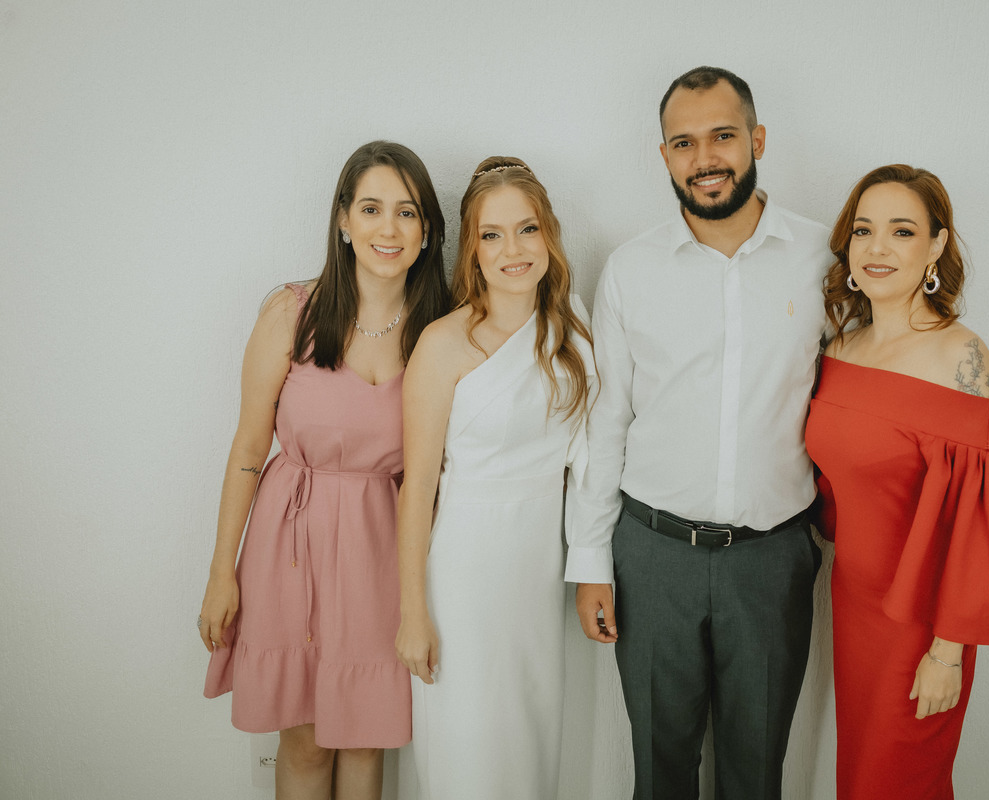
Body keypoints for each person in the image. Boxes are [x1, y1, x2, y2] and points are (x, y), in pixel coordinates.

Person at [567, 66, 828, 799]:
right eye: (684, 143)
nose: (705, 158)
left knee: (756, 775)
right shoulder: (630, 270)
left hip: (773, 559)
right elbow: (607, 420)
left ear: (757, 140)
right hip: (651, 559)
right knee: (660, 773)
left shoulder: (823, 260)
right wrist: (590, 560)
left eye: (723, 136)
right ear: (664, 156)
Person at [199, 140, 451, 800]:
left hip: (381, 551)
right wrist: (221, 571)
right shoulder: (292, 312)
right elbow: (248, 448)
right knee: (306, 737)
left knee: (366, 734)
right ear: (343, 220)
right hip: (290, 543)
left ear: (427, 230)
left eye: (406, 212)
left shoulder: (442, 332)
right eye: (371, 208)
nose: (388, 228)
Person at [805, 164, 989, 799]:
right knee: (860, 778)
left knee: (900, 782)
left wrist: (947, 652)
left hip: (923, 625)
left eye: (901, 231)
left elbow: (978, 524)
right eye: (864, 230)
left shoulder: (961, 357)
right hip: (855, 607)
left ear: (936, 245)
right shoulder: (840, 351)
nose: (878, 248)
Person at [394, 156, 594, 799]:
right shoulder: (443, 343)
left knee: (529, 742)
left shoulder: (573, 330)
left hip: (536, 567)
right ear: (473, 251)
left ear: (548, 235)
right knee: (471, 749)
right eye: (492, 234)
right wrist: (413, 613)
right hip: (464, 572)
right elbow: (417, 489)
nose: (513, 249)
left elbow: (592, 458)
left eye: (527, 229)